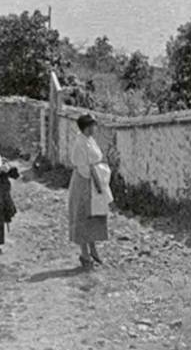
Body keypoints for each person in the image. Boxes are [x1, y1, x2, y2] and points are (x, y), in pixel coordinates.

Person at [68, 113, 109, 268]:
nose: (94, 128)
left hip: (93, 180)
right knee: (82, 215)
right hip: (83, 181)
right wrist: (96, 175)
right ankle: (84, 253)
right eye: (91, 126)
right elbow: (82, 166)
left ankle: (93, 249)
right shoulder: (80, 143)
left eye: (94, 125)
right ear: (85, 128)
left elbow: (96, 158)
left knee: (94, 214)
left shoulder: (90, 140)